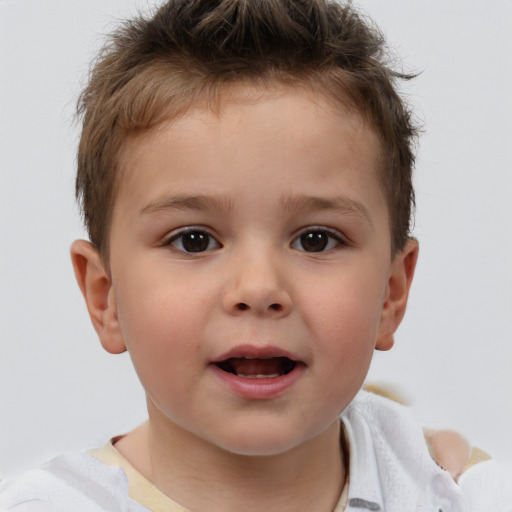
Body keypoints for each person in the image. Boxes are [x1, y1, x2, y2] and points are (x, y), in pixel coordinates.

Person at [0, 0, 509, 510]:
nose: (259, 288)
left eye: (316, 239)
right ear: (104, 296)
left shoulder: (450, 490)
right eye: (193, 240)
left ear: (391, 295)